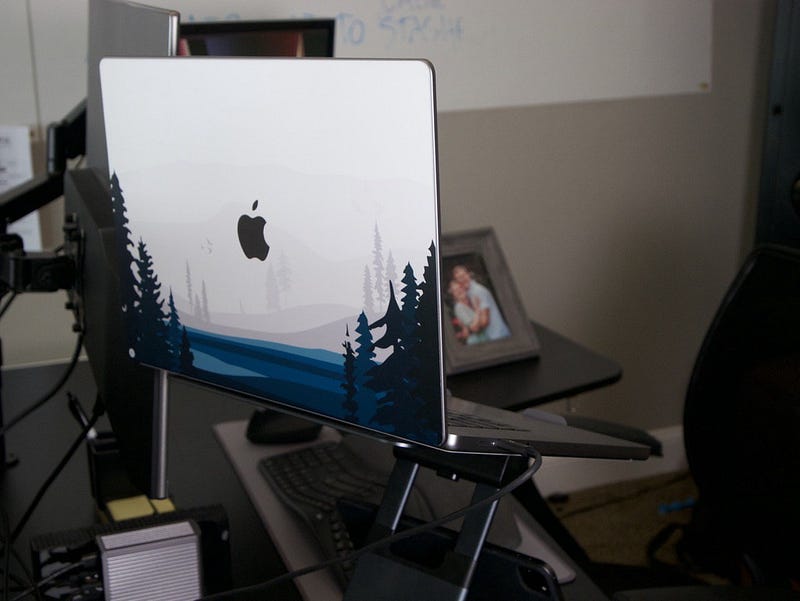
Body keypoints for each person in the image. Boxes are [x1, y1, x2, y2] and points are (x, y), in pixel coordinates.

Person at [451, 264, 511, 341]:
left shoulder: (478, 291)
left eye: (463, 275)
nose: (462, 279)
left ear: (469, 274)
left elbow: (485, 321)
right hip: (491, 337)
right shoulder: (468, 292)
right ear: (457, 281)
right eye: (459, 278)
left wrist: (472, 327)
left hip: (499, 335)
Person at [448, 280, 489, 345]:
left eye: (460, 287)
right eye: (455, 290)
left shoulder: (471, 299)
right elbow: (474, 328)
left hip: (485, 337)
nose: (459, 291)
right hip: (476, 341)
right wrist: (477, 309)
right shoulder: (459, 307)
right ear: (453, 295)